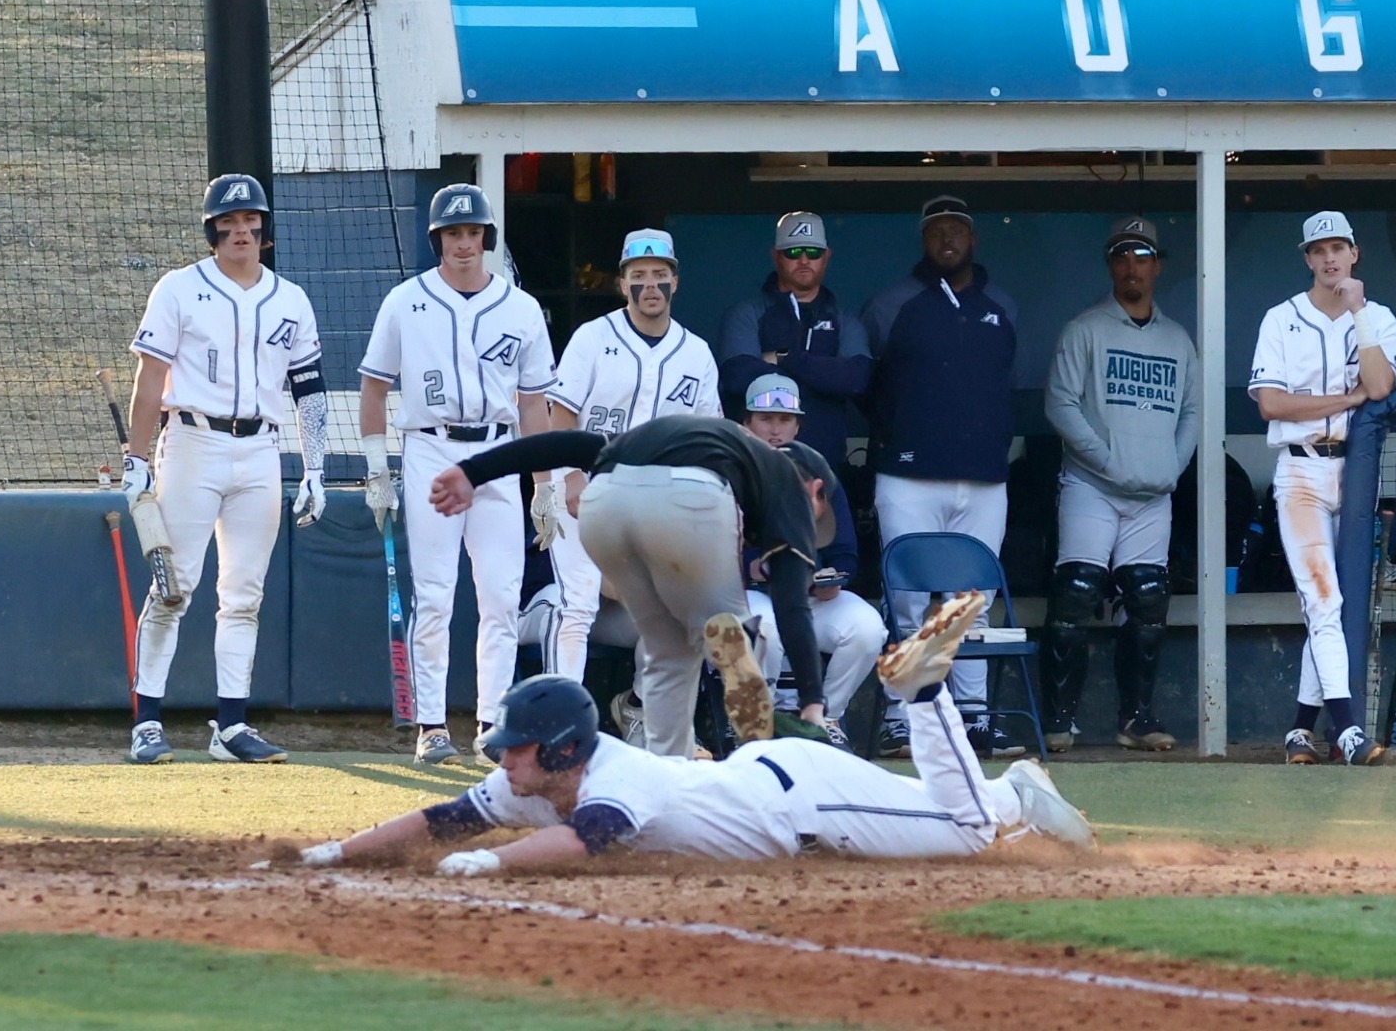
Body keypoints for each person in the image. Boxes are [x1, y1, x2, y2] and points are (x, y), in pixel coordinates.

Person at [268, 595, 1094, 877]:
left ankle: (928, 697)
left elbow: (582, 845)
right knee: (947, 816)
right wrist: (335, 852)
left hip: (804, 800)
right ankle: (1006, 788)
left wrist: (490, 862)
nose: (502, 757)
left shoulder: (617, 780)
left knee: (964, 832)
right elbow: (441, 818)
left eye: (515, 747)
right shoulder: (537, 779)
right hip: (765, 780)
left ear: (559, 752)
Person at [428, 415, 835, 759]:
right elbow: (792, 604)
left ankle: (665, 777)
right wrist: (812, 703)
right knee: (744, 635)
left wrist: (473, 471)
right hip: (693, 495)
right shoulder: (788, 480)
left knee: (668, 654)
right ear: (815, 489)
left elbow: (564, 444)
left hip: (605, 503)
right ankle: (730, 636)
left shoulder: (685, 432)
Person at [121, 173, 328, 765]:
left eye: (250, 223)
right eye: (229, 223)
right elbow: (150, 380)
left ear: (265, 232)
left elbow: (308, 388)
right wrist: (137, 460)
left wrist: (314, 466)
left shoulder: (290, 298)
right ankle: (148, 720)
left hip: (260, 451)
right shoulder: (179, 288)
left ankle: (232, 725)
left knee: (243, 596)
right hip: (192, 442)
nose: (241, 231)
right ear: (212, 230)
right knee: (172, 587)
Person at [356, 183, 555, 765]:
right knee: (436, 595)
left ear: (486, 238)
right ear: (437, 239)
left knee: (499, 596)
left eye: (472, 232)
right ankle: (432, 725)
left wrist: (542, 483)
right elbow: (374, 387)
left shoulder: (519, 307)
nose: (463, 243)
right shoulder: (405, 300)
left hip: (498, 453)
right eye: (452, 233)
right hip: (430, 449)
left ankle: (493, 723)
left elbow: (533, 405)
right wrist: (376, 467)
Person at [862, 195, 1024, 759]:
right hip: (908, 475)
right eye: (937, 231)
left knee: (971, 600)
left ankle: (974, 717)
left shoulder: (1000, 303)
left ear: (973, 239)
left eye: (957, 230)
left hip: (982, 476)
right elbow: (870, 382)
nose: (947, 240)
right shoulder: (892, 304)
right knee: (908, 602)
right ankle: (902, 718)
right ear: (924, 240)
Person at [1038, 217, 1200, 753]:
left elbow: (1192, 412)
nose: (1132, 266)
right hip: (1092, 486)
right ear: (1111, 265)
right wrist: (1107, 460)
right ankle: (1059, 721)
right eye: (1122, 255)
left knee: (1150, 597)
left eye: (1142, 255)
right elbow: (1060, 404)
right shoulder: (1085, 329)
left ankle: (1137, 720)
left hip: (1152, 493)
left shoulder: (1177, 339)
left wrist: (1168, 468)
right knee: (1077, 591)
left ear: (1157, 265)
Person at [1247, 210, 1396, 766]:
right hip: (1302, 470)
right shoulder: (1280, 318)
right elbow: (1272, 403)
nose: (1330, 258)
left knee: (1337, 606)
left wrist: (1358, 311)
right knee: (1325, 600)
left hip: (1357, 472)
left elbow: (1381, 383)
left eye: (1339, 247)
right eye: (1319, 249)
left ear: (1355, 254)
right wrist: (1346, 399)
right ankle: (1349, 731)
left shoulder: (1377, 316)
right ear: (1307, 258)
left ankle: (1298, 729)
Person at [538, 230, 721, 688]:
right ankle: (567, 720)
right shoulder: (593, 338)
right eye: (638, 276)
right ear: (622, 284)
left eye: (660, 274)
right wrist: (571, 476)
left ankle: (643, 709)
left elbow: (706, 440)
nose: (650, 285)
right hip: (585, 490)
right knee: (577, 605)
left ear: (675, 282)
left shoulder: (696, 353)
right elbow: (559, 413)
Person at [737, 373, 887, 748]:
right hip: (749, 595)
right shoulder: (729, 474)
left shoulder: (818, 474)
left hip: (808, 597)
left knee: (868, 628)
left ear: (798, 424)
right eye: (764, 419)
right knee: (765, 628)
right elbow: (702, 556)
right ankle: (758, 722)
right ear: (746, 423)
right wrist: (749, 568)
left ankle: (826, 718)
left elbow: (847, 554)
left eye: (784, 419)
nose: (775, 429)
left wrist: (833, 578)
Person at [716, 212, 871, 466]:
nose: (803, 260)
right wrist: (824, 377)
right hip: (757, 467)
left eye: (813, 252)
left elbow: (856, 378)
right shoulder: (747, 312)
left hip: (825, 466)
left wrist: (783, 360)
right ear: (776, 255)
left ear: (827, 256)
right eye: (793, 252)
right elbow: (738, 377)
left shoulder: (843, 319)